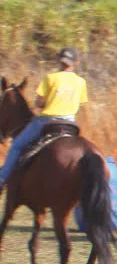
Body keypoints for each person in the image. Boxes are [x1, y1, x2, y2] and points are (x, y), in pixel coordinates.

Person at [0, 47, 89, 191]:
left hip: (47, 121)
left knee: (16, 145)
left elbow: (38, 103)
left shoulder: (51, 78)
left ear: (60, 60)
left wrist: (46, 102)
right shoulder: (81, 82)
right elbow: (80, 103)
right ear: (76, 62)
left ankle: (2, 179)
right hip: (70, 123)